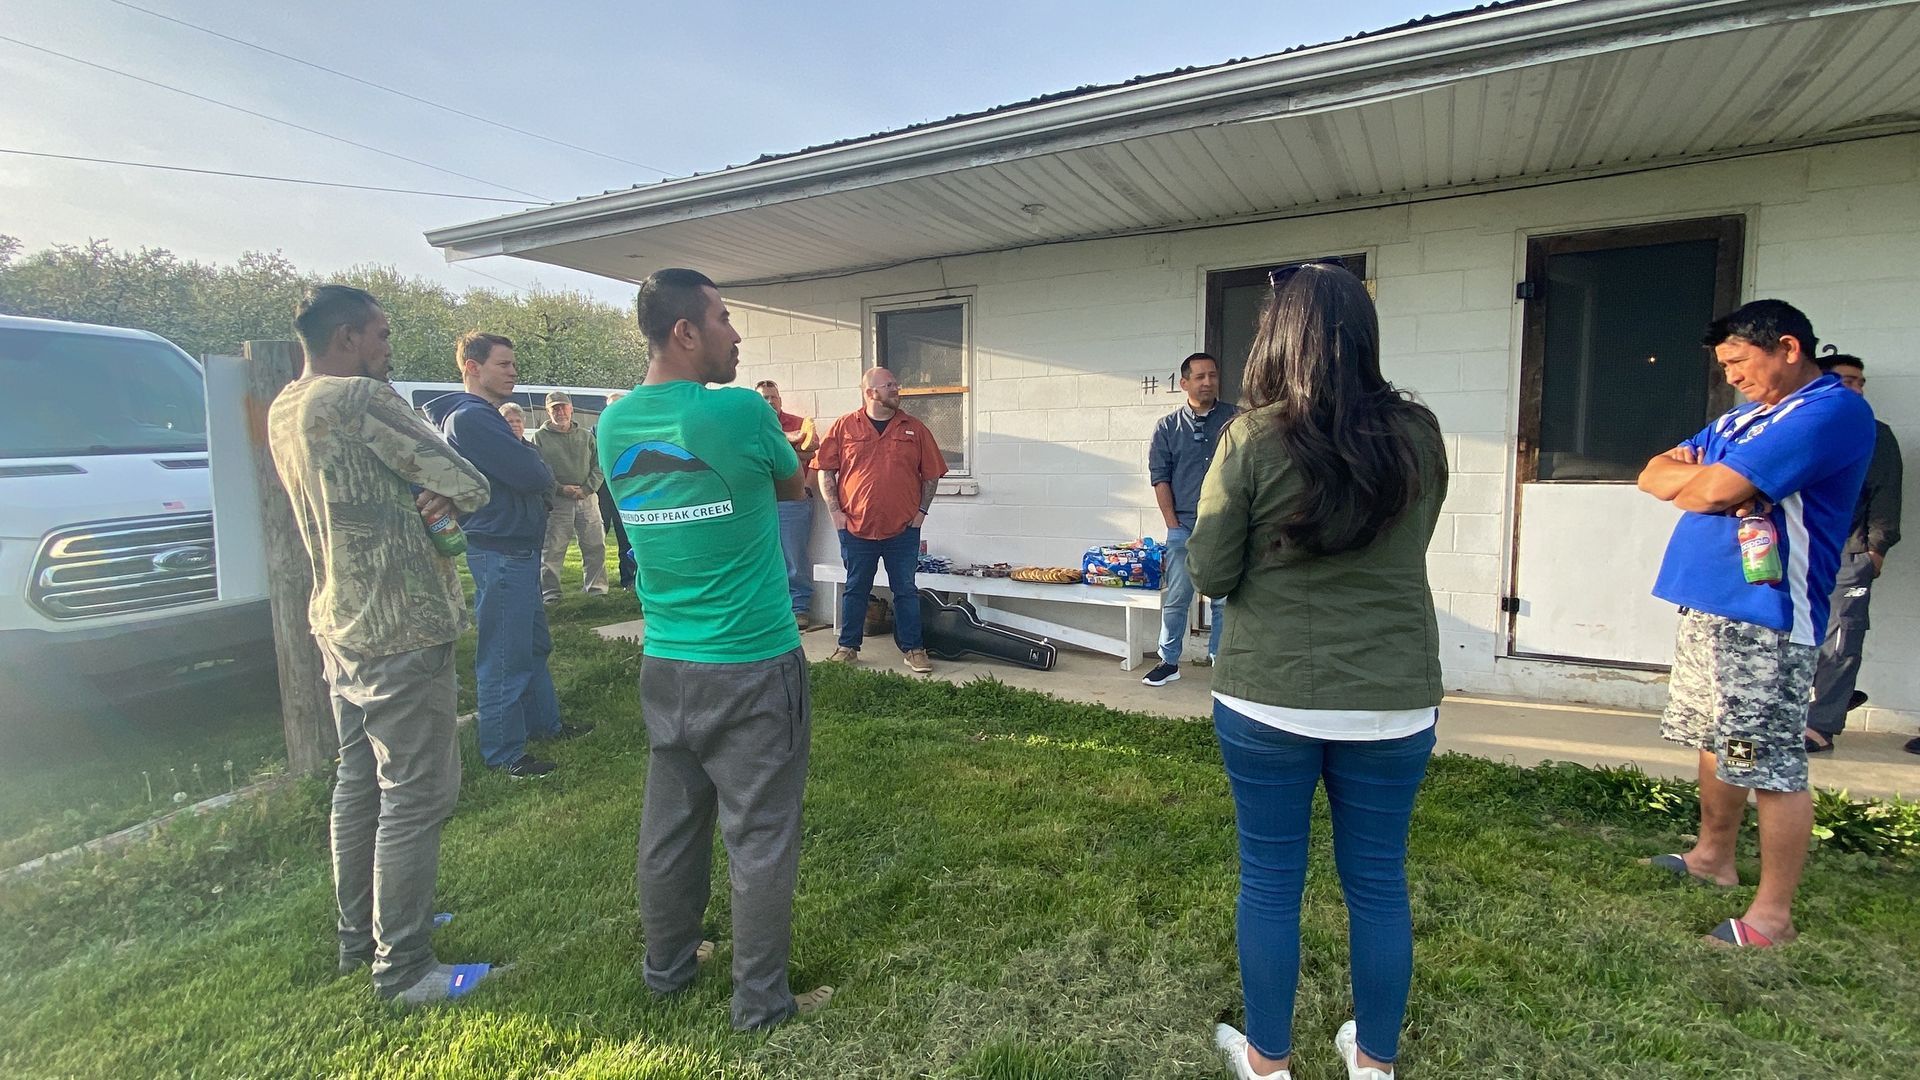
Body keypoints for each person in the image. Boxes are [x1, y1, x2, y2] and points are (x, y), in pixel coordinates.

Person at [1189, 263, 1447, 1080]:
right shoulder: (1420, 433)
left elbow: (1211, 571)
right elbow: (1414, 542)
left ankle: (1267, 1065)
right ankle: (1374, 1064)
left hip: (1269, 694)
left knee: (1270, 880)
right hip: (1394, 696)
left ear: (1278, 337)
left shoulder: (1252, 436)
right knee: (1378, 883)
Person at [596, 268, 832, 1029]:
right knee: (760, 835)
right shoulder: (736, 412)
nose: (737, 335)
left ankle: (666, 968)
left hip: (666, 660)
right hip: (753, 661)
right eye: (726, 320)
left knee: (671, 826)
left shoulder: (612, 425)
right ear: (685, 333)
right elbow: (796, 490)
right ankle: (760, 1004)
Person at [269, 284, 499, 1005]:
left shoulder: (285, 405)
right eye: (381, 335)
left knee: (358, 783)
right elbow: (469, 481)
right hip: (401, 622)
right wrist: (435, 491)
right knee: (416, 794)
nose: (389, 348)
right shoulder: (360, 400)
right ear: (346, 338)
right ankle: (403, 968)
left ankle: (359, 935)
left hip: (338, 621)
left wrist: (415, 493)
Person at [1637, 299, 1875, 947]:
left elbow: (1708, 492)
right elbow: (1653, 474)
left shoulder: (1832, 411)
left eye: (1740, 362)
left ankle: (1773, 915)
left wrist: (1712, 486)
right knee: (1718, 737)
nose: (1731, 377)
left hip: (1766, 615)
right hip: (1708, 607)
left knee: (1769, 761)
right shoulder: (1747, 420)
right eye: (1724, 366)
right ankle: (1712, 857)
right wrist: (1713, 483)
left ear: (1788, 349)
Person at [424, 333, 588, 779]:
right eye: (503, 364)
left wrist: (535, 468)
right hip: (500, 548)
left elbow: (532, 470)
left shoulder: (485, 417)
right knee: (503, 654)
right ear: (472, 368)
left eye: (514, 364)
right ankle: (503, 753)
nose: (513, 371)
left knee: (533, 644)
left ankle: (545, 725)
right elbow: (533, 472)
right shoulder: (472, 419)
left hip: (515, 546)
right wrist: (536, 467)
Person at [814, 367, 948, 674]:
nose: (896, 389)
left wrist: (921, 513)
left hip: (902, 528)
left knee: (905, 589)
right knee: (856, 587)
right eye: (889, 385)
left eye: (895, 385)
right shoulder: (845, 426)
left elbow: (931, 475)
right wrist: (835, 512)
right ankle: (848, 647)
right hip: (856, 527)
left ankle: (914, 649)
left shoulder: (914, 428)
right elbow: (826, 470)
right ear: (870, 392)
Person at [1801, 352, 1902, 755]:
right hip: (1798, 550)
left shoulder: (1877, 435)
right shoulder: (1804, 428)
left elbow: (1886, 496)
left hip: (1850, 551)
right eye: (1847, 380)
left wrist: (1877, 549)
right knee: (1793, 637)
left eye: (1860, 382)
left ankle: (1821, 724)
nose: (1856, 388)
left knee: (1840, 638)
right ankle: (1830, 700)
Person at [1142, 352, 1240, 687]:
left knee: (1224, 601)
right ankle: (1168, 662)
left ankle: (1221, 662)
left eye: (1212, 375)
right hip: (1183, 525)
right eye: (1199, 376)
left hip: (1227, 525)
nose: (1207, 382)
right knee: (1177, 599)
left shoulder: (1236, 420)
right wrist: (1172, 524)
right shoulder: (1168, 428)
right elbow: (1160, 478)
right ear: (1184, 383)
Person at [530, 390, 609, 602]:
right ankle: (551, 595)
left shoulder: (586, 436)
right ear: (548, 411)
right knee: (553, 549)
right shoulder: (539, 438)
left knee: (595, 546)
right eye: (554, 408)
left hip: (588, 498)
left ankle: (597, 591)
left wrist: (587, 488)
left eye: (563, 406)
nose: (560, 411)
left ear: (571, 408)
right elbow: (538, 470)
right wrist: (559, 488)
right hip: (558, 502)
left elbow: (600, 465)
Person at [755, 380, 821, 629]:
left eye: (773, 397)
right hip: (759, 501)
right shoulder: (751, 426)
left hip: (791, 502)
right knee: (762, 556)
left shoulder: (799, 425)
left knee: (793, 556)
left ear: (780, 400)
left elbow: (816, 458)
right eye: (764, 398)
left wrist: (806, 488)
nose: (769, 402)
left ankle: (799, 608)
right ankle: (770, 608)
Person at [596, 389, 638, 591]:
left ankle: (628, 579)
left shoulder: (633, 434)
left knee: (626, 537)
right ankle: (596, 583)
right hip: (602, 491)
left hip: (625, 493)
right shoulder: (597, 432)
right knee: (597, 538)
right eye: (610, 406)